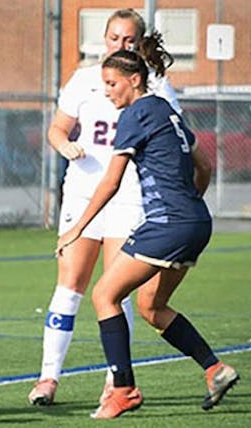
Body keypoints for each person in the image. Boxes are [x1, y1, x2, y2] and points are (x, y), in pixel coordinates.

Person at [55, 35, 240, 420]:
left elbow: (110, 181)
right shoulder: (167, 111)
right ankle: (215, 369)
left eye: (112, 84)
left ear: (134, 80)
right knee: (151, 307)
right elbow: (203, 167)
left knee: (104, 295)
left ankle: (123, 390)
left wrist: (76, 229)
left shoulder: (135, 115)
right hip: (196, 222)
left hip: (168, 223)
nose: (107, 92)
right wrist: (189, 206)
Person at [28, 8, 181, 406]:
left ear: (140, 43)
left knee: (117, 289)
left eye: (129, 40)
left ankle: (116, 381)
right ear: (104, 39)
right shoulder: (83, 79)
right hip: (82, 192)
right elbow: (57, 128)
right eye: (114, 38)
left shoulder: (155, 87)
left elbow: (175, 137)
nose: (120, 45)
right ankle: (48, 379)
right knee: (69, 286)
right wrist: (63, 146)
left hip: (128, 195)